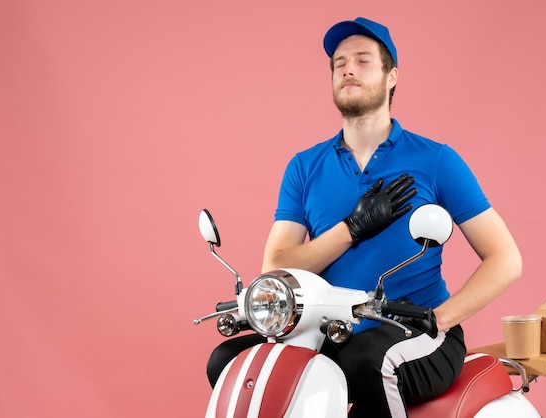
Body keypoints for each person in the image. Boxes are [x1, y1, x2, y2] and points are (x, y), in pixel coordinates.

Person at [207, 17, 522, 417]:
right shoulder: (305, 166)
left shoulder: (436, 160)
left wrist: (440, 319)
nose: (348, 69)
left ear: (392, 77)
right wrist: (352, 228)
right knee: (228, 360)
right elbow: (277, 265)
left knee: (364, 361)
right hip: (328, 330)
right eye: (339, 64)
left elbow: (506, 259)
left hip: (418, 332)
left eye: (362, 60)